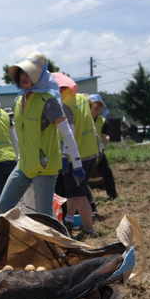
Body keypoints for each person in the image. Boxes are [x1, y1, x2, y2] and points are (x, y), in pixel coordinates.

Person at [0, 52, 84, 216]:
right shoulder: (19, 100)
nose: (24, 76)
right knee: (2, 208)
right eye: (21, 72)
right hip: (24, 165)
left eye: (29, 73)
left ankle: (51, 242)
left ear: (39, 77)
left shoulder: (48, 101)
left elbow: (67, 132)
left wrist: (77, 164)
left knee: (44, 217)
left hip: (44, 168)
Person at [52, 73, 99, 237]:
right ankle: (69, 219)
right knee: (73, 190)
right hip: (90, 151)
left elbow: (69, 133)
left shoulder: (65, 104)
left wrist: (65, 156)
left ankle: (89, 229)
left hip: (76, 155)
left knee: (79, 194)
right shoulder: (80, 99)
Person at [89, 94, 119, 200]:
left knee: (106, 171)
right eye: (95, 104)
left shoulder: (103, 121)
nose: (97, 107)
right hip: (84, 152)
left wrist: (102, 145)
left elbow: (106, 136)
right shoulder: (83, 120)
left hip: (98, 152)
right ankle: (85, 198)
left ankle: (113, 195)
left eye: (99, 105)